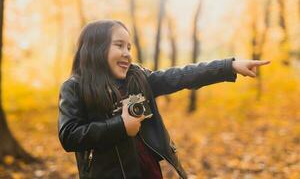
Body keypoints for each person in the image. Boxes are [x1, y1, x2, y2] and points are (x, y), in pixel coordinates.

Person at [58, 19, 270, 179]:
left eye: (129, 47)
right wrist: (120, 126)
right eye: (119, 45)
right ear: (96, 48)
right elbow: (69, 135)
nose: (127, 53)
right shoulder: (74, 87)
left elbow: (180, 76)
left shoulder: (138, 77)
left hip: (149, 171)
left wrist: (228, 66)